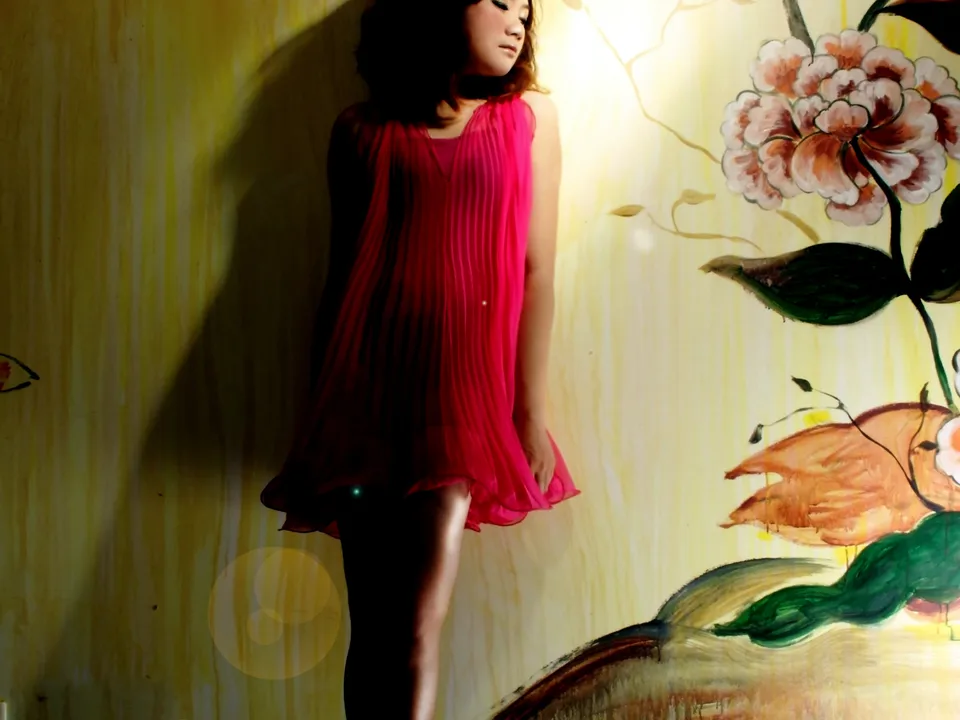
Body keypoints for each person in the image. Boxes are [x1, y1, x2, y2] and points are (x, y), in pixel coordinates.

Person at [260, 0, 580, 716]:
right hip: (361, 402)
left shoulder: (528, 120)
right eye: (502, 1)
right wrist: (319, 421)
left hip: (458, 402)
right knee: (371, 627)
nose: (520, 22)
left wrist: (528, 414)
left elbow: (537, 275)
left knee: (412, 629)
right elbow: (342, 280)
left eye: (528, 9)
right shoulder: (360, 131)